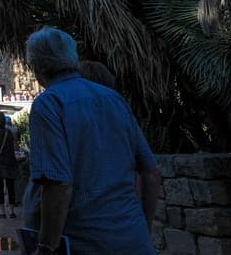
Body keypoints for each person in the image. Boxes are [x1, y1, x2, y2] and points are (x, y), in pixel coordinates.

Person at [24, 27, 161, 255]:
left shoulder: (48, 104)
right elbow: (151, 173)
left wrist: (46, 247)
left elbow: (58, 185)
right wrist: (142, 228)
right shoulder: (113, 98)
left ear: (37, 67)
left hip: (85, 243)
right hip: (134, 240)